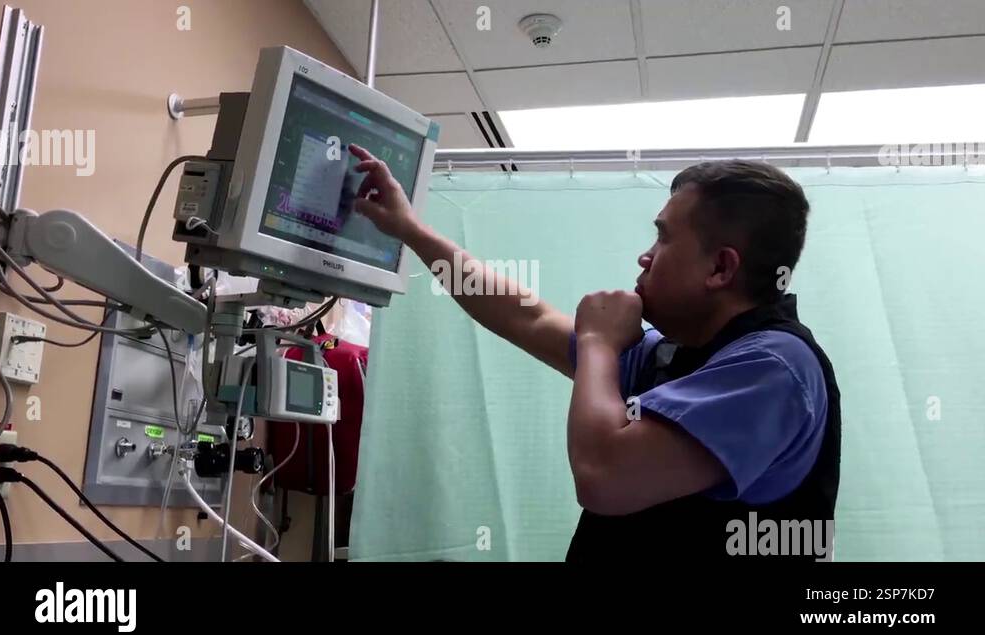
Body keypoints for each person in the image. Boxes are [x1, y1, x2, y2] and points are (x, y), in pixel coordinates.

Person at [348, 144, 841, 561]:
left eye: (664, 236)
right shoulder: (681, 357)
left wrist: (598, 343)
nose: (645, 255)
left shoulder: (774, 367)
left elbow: (604, 477)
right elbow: (528, 317)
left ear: (720, 268)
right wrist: (409, 230)